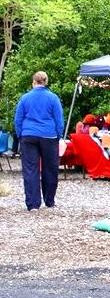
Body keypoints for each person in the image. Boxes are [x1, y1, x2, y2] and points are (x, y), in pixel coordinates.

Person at [14, 71, 64, 211]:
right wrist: (58, 135)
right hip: (49, 135)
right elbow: (59, 120)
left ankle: (33, 204)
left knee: (30, 169)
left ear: (33, 82)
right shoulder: (53, 98)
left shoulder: (24, 98)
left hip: (28, 135)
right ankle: (49, 201)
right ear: (46, 82)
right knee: (50, 168)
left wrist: (20, 135)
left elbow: (18, 119)